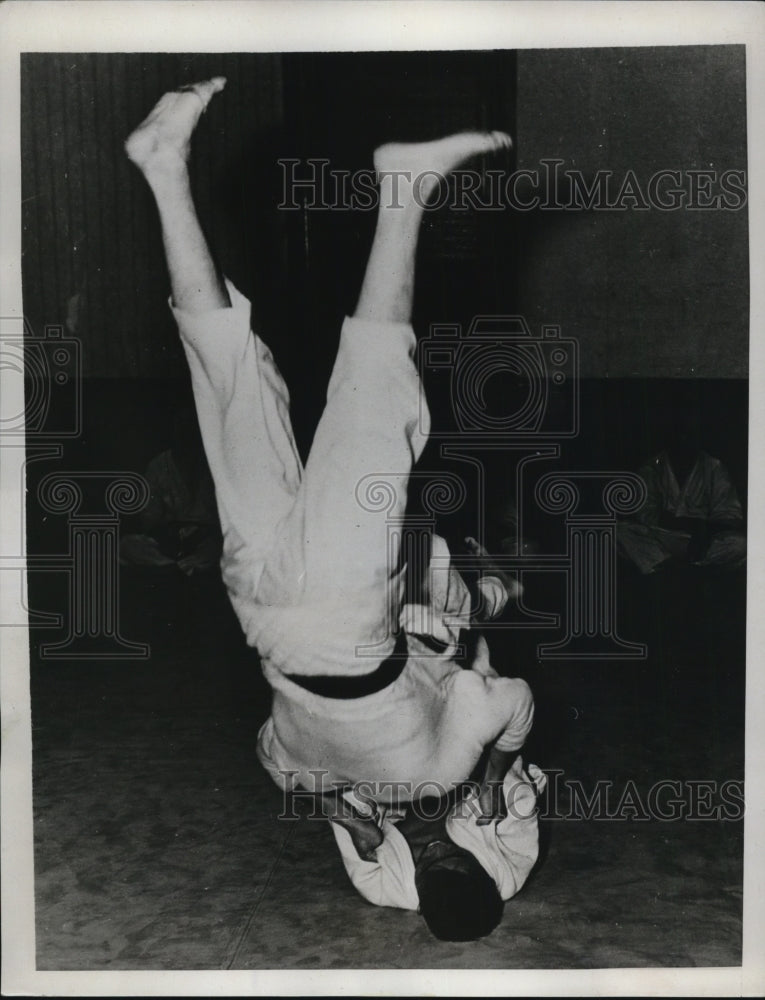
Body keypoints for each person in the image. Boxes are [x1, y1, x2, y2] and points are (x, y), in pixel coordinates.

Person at [126, 78, 541, 939]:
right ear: (475, 850)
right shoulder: (453, 779)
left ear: (410, 877)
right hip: (311, 625)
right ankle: (163, 168)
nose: (431, 855)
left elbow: (281, 760)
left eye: (425, 870)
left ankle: (399, 192)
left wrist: (348, 812)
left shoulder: (395, 835)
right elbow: (507, 700)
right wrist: (497, 782)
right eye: (452, 858)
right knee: (244, 381)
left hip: (302, 622)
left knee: (312, 393)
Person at [617, 409, 746, 574]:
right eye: (679, 434)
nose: (683, 440)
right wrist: (691, 524)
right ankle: (669, 565)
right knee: (620, 531)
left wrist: (704, 532)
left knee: (740, 545)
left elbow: (731, 516)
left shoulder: (714, 467)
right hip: (664, 538)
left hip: (704, 540)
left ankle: (676, 566)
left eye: (689, 434)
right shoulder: (652, 467)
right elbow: (645, 514)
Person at [120, 404, 222, 575]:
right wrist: (173, 534)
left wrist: (202, 534)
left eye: (192, 428)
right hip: (168, 541)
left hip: (205, 541)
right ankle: (171, 566)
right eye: (182, 428)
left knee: (221, 549)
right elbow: (149, 520)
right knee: (127, 546)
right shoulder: (158, 466)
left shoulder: (213, 466)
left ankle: (185, 566)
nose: (186, 435)